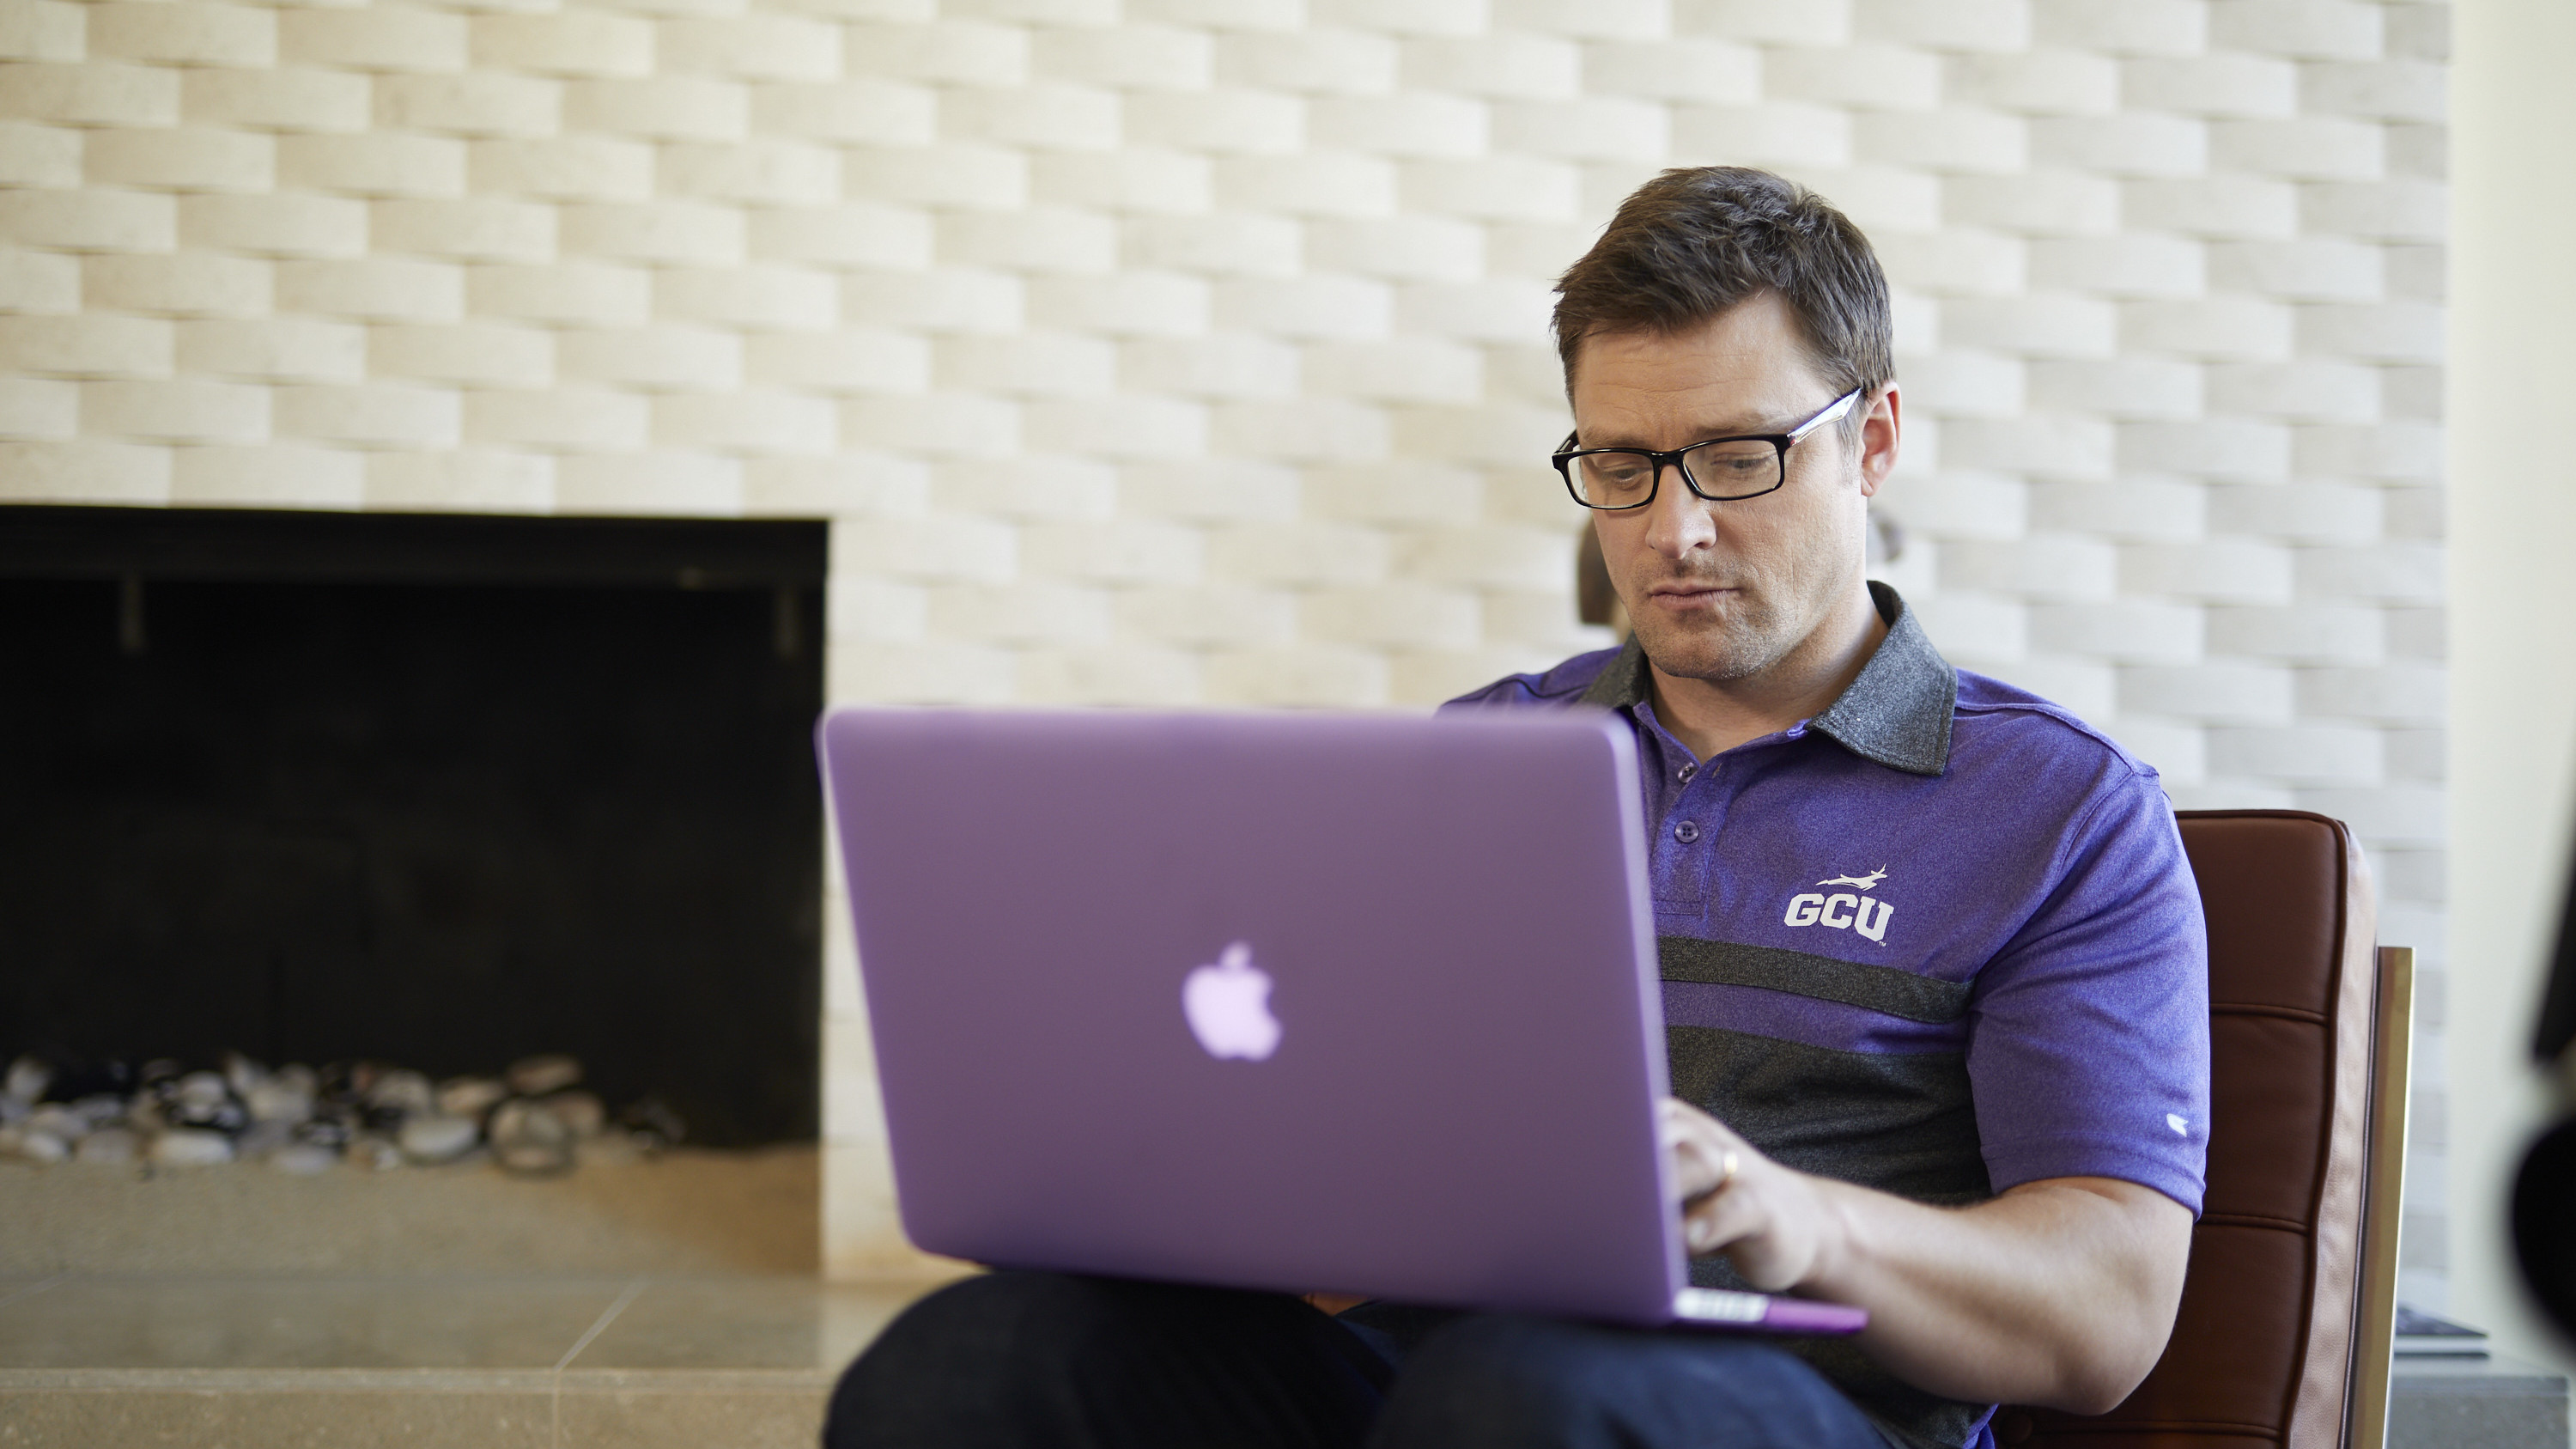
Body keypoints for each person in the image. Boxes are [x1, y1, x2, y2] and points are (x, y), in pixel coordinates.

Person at [823, 166, 2209, 1449]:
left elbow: (2109, 1316)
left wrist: (1804, 1223)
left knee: (1524, 1396)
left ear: (1876, 441)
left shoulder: (2059, 811)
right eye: (1621, 466)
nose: (1672, 532)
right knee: (976, 1359)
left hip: (1786, 1409)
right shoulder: (1481, 757)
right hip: (1425, 1379)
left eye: (1739, 457)